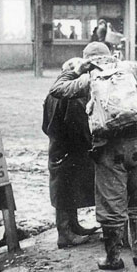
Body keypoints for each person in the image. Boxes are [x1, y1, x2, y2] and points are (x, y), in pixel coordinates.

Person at [50, 42, 137, 270]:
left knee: (111, 201)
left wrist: (75, 69)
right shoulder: (130, 68)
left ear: (88, 59)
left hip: (108, 145)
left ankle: (113, 258)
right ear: (111, 56)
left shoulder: (88, 78)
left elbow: (57, 89)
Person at [42, 59, 99, 249]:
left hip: (57, 146)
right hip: (70, 148)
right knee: (65, 190)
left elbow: (44, 125)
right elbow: (79, 126)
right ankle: (65, 234)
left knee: (65, 189)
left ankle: (73, 226)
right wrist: (88, 144)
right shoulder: (71, 97)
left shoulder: (51, 93)